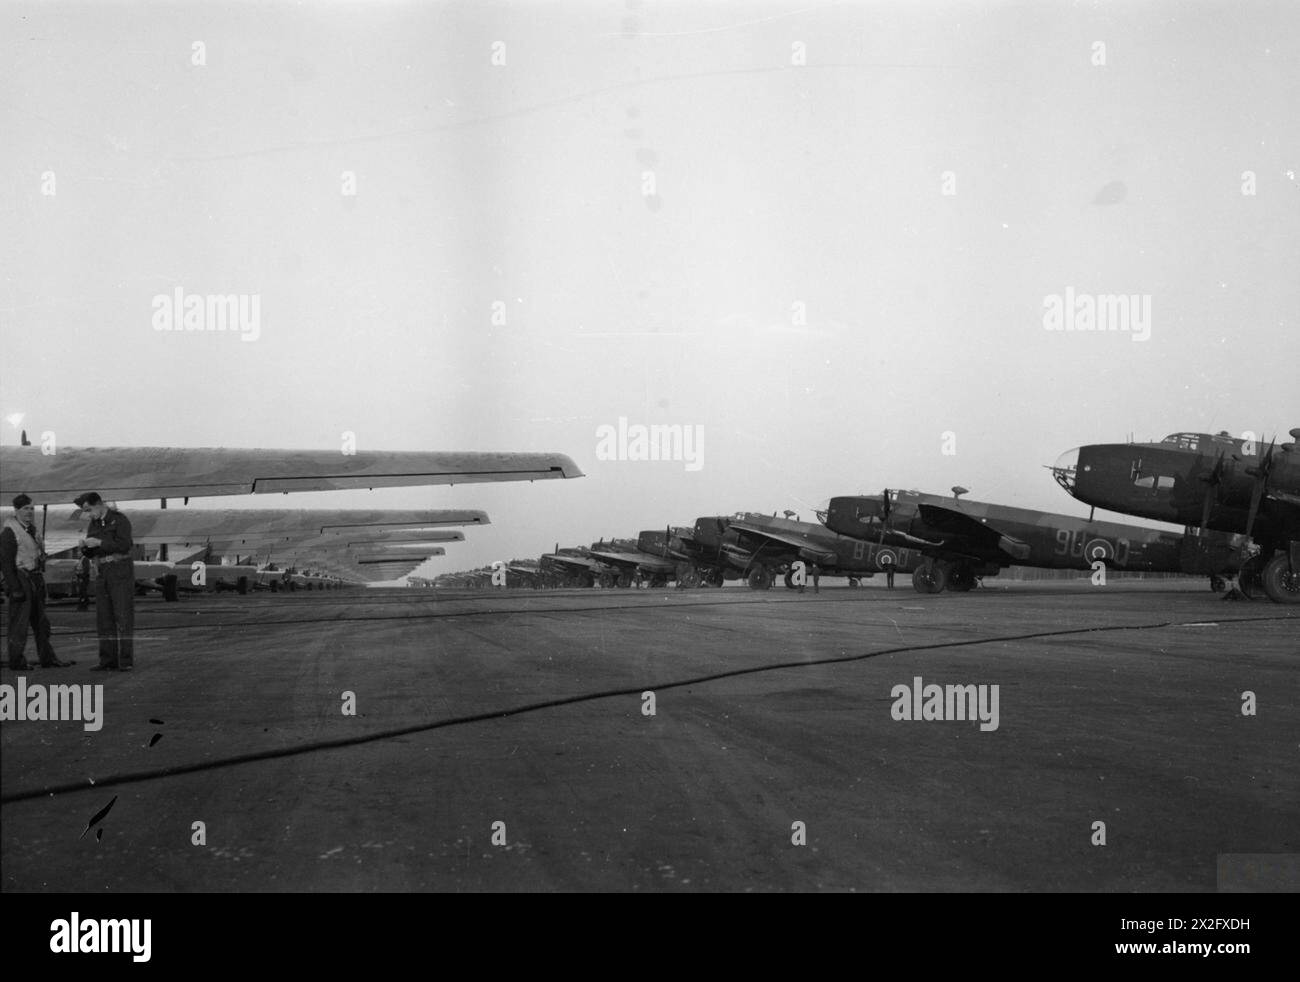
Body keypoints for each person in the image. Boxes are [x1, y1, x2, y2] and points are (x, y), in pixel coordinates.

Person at [1, 494, 74, 669]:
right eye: (25, 508)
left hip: (35, 578)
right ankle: (16, 661)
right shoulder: (9, 531)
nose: (29, 512)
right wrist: (14, 588)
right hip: (21, 578)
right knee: (19, 624)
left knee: (42, 623)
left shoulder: (31, 530)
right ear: (16, 510)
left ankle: (47, 659)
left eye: (32, 508)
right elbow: (5, 562)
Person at [75, 492, 135, 672]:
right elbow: (93, 551)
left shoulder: (120, 520)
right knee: (104, 617)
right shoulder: (93, 524)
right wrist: (85, 549)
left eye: (89, 509)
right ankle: (107, 660)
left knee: (123, 615)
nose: (88, 514)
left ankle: (125, 661)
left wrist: (99, 542)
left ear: (99, 504)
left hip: (119, 569)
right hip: (101, 571)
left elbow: (125, 545)